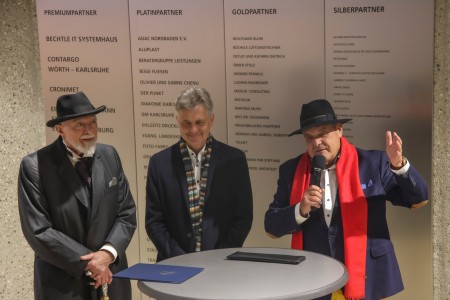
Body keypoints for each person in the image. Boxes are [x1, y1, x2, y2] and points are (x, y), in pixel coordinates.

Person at [264, 99, 428, 300]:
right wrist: (301, 208)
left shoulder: (372, 163)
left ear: (339, 130)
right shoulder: (291, 171)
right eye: (309, 137)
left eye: (323, 134)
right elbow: (271, 226)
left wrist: (399, 166)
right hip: (315, 281)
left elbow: (418, 199)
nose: (317, 143)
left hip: (369, 277)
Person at [18, 91, 137, 300]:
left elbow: (126, 212)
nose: (89, 130)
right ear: (59, 129)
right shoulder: (35, 166)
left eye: (92, 122)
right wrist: (91, 263)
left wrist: (107, 254)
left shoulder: (110, 155)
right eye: (79, 125)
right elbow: (38, 230)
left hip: (111, 278)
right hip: (63, 284)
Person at [145, 86, 253, 261]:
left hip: (222, 266)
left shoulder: (235, 160)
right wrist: (179, 259)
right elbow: (154, 222)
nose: (193, 130)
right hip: (174, 264)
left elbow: (243, 217)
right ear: (177, 121)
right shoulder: (159, 164)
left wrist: (219, 258)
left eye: (199, 122)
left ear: (211, 119)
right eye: (186, 123)